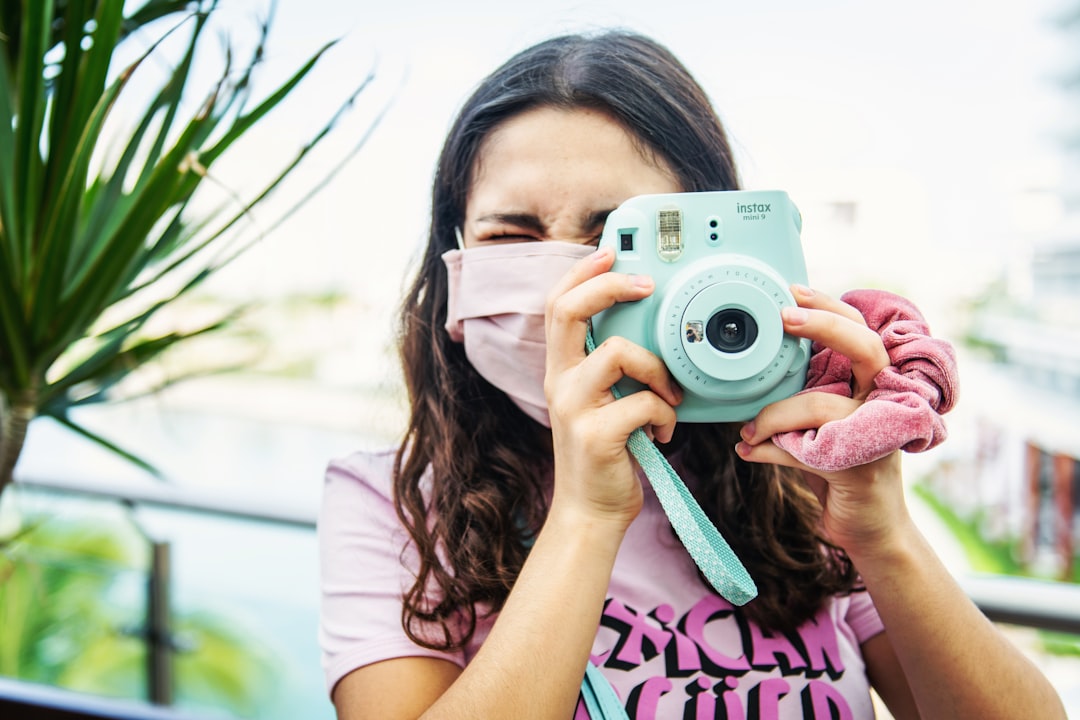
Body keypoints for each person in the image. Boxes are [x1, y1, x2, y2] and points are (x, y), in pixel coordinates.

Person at [318, 30, 1067, 719]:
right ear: (454, 260)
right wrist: (585, 517)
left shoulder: (796, 471)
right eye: (511, 235)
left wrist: (883, 534)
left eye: (616, 235)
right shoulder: (389, 507)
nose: (568, 289)